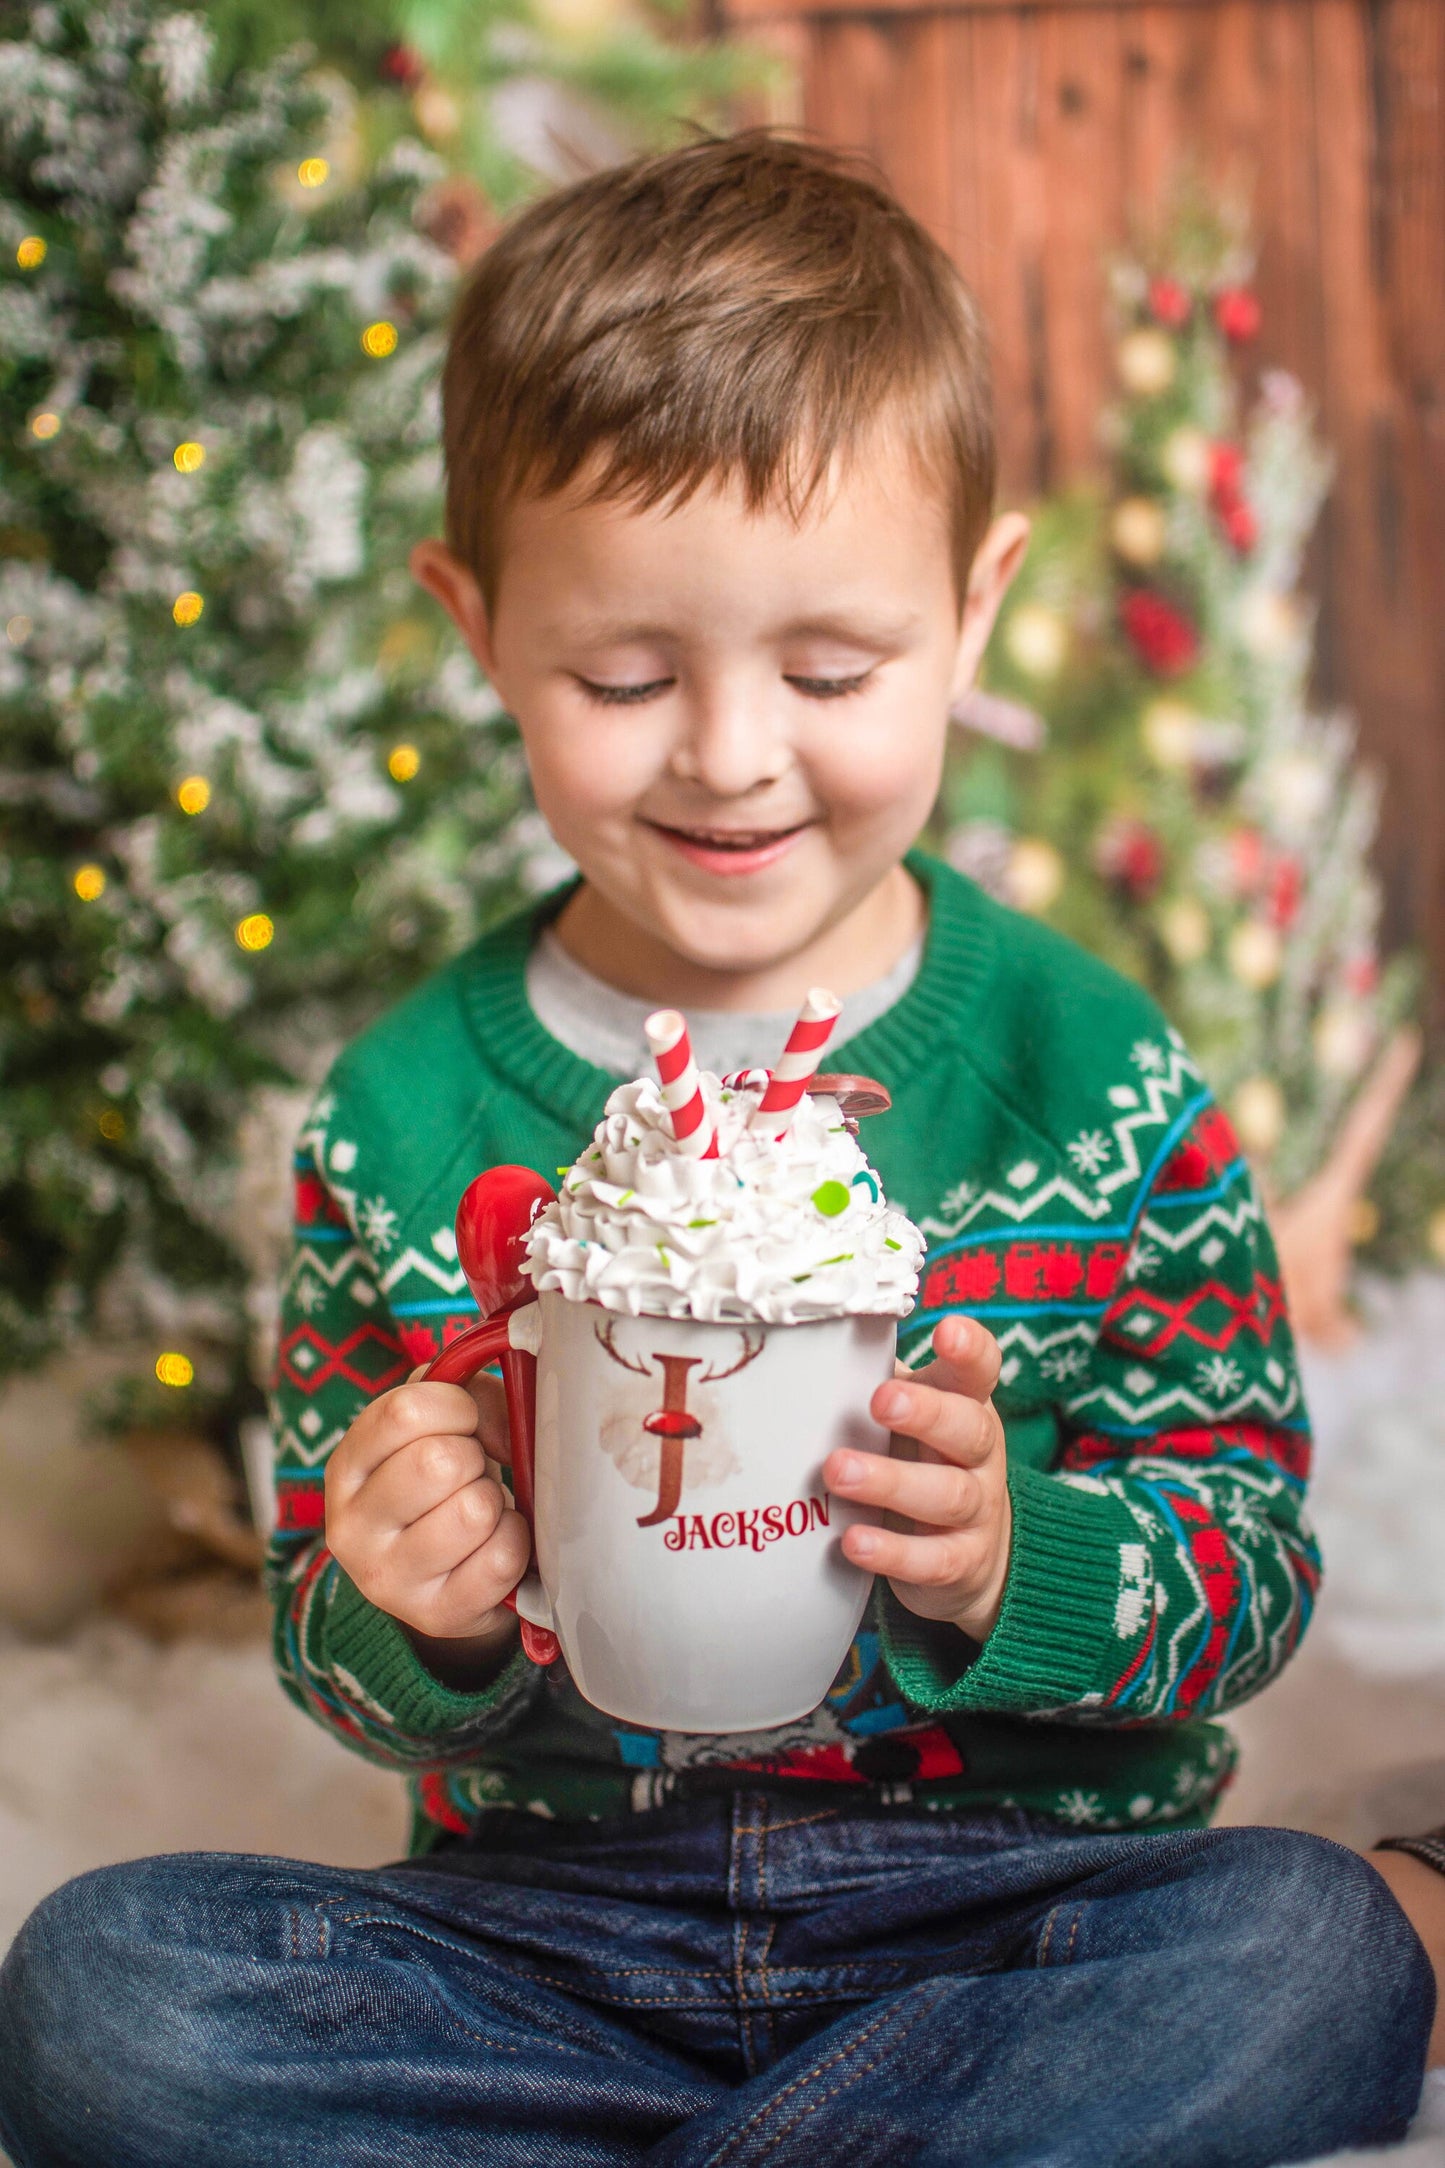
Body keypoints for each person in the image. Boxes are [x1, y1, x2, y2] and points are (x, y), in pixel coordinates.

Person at [0, 131, 1433, 2167]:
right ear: (478, 625)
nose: (733, 752)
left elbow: (1256, 1561)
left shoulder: (1085, 1072)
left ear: (974, 605)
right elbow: (331, 1624)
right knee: (101, 1987)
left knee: (1308, 1951)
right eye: (622, 673)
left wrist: (1025, 1560)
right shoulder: (407, 1121)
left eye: (829, 668)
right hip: (546, 1931)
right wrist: (419, 1606)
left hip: (1000, 1913)